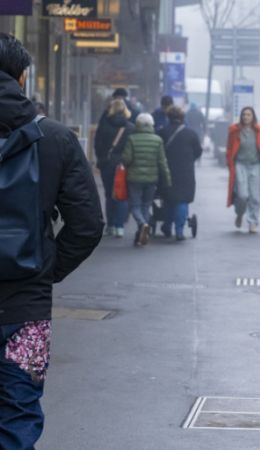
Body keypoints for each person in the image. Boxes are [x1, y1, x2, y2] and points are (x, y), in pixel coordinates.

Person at [0, 32, 104, 448]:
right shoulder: (57, 139)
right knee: (19, 412)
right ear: (23, 78)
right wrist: (46, 269)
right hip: (26, 305)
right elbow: (87, 224)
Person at [122, 113, 171, 247]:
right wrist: (167, 179)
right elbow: (162, 162)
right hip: (152, 179)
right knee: (146, 205)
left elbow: (126, 159)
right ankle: (142, 231)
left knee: (134, 206)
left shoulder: (131, 139)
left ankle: (142, 225)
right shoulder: (157, 140)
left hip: (134, 179)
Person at [158, 107, 203, 241]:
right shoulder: (191, 134)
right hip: (186, 172)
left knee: (168, 200)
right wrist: (189, 160)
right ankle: (179, 230)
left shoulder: (162, 133)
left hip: (166, 171)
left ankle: (167, 225)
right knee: (182, 201)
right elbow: (198, 152)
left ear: (168, 117)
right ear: (183, 118)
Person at [226, 106, 260, 234]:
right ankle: (240, 214)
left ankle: (252, 222)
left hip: (255, 165)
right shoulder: (235, 131)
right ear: (241, 116)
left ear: (253, 117)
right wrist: (230, 163)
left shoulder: (259, 131)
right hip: (240, 165)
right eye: (244, 115)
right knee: (242, 195)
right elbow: (230, 149)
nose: (246, 117)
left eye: (249, 115)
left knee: (256, 196)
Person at [93, 99, 135, 238]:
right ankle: (119, 226)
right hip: (123, 165)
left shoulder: (104, 125)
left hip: (107, 163)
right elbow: (132, 149)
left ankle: (110, 225)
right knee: (121, 195)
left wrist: (101, 158)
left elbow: (97, 145)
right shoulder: (130, 127)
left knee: (109, 194)